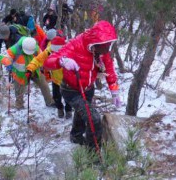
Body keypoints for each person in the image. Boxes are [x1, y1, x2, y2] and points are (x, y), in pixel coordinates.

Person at [43, 20, 123, 150]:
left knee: (82, 114)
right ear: (96, 42)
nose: (107, 49)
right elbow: (47, 62)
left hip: (88, 88)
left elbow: (109, 69)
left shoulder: (102, 50)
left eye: (109, 45)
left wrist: (114, 90)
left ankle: (76, 136)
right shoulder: (75, 45)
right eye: (105, 45)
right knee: (94, 120)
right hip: (71, 89)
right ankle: (93, 153)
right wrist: (62, 61)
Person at [0, 37, 55, 109]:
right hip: (20, 74)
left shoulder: (35, 48)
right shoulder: (14, 49)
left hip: (34, 71)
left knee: (44, 84)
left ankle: (49, 102)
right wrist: (8, 62)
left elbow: (42, 57)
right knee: (19, 91)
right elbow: (1, 57)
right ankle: (19, 105)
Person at [27, 36, 72, 119]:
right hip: (55, 79)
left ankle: (68, 110)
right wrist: (30, 69)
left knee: (68, 97)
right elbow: (38, 60)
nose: (55, 54)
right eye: (53, 52)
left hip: (68, 80)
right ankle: (60, 108)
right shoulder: (48, 51)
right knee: (56, 97)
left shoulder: (70, 51)